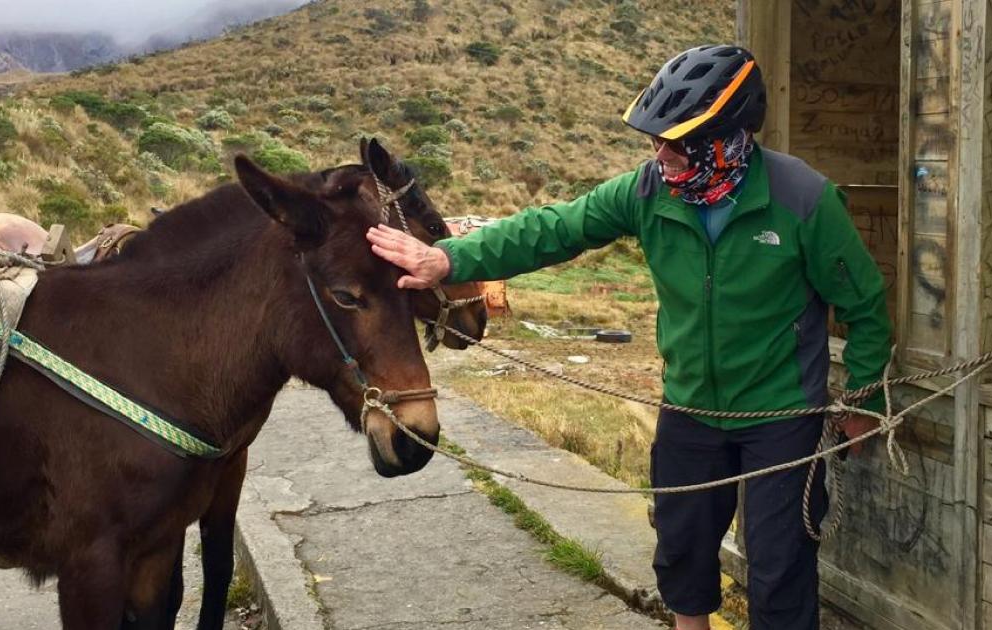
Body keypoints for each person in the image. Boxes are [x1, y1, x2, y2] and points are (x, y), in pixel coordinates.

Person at [367, 44, 893, 630]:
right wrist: (448, 261)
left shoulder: (805, 200)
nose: (660, 154)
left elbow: (866, 306)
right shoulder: (647, 191)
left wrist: (866, 401)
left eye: (677, 142)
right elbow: (553, 229)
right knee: (682, 553)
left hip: (782, 416)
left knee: (779, 569)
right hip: (690, 408)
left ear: (729, 137)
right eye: (654, 139)